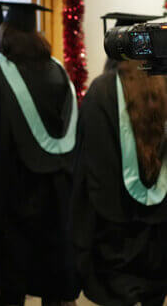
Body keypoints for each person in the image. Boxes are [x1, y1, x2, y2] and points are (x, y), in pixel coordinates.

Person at [0, 2, 79, 305]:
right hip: (54, 198)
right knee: (52, 279)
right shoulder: (59, 72)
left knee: (9, 283)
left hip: (8, 203)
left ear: (4, 33)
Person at [72, 58, 167, 306]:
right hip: (158, 240)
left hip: (113, 239)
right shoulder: (163, 88)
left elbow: (86, 169)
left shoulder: (101, 92)